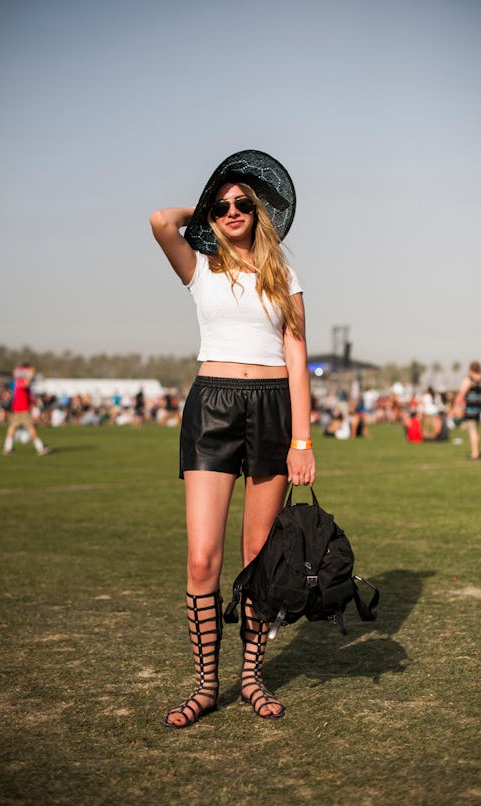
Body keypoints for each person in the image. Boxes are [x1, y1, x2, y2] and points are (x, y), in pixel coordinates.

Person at [150, 150, 315, 729]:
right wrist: (203, 210)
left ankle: (251, 676)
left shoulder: (285, 276)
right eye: (222, 205)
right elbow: (158, 222)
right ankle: (204, 684)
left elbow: (296, 355)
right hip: (212, 406)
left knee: (256, 560)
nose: (233, 211)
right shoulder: (199, 266)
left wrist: (303, 440)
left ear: (261, 210)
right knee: (202, 561)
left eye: (244, 202)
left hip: (272, 410)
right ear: (210, 212)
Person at [2, 363, 51, 456]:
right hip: (22, 410)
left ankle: (7, 448)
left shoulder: (17, 381)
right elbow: (26, 384)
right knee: (31, 428)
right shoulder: (21, 381)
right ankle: (40, 448)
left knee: (12, 428)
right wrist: (31, 373)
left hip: (18, 409)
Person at [453, 361, 481, 460]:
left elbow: (461, 394)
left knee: (472, 431)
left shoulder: (468, 380)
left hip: (471, 409)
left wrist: (455, 407)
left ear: (471, 369)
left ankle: (475, 453)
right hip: (480, 409)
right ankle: (477, 451)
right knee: (476, 431)